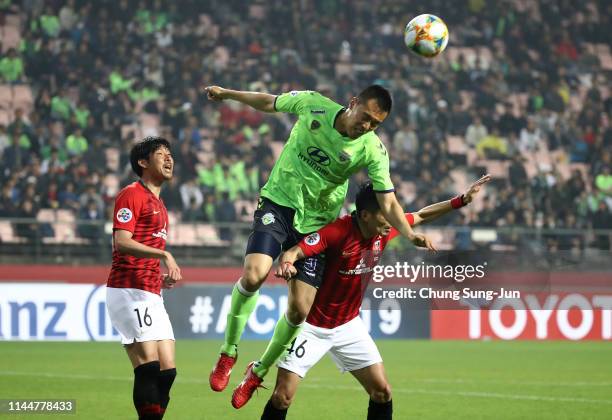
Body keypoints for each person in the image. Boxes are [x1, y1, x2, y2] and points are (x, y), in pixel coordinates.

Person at [204, 85, 434, 409]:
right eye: (365, 117)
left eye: (375, 124)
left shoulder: (372, 149)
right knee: (254, 275)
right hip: (279, 203)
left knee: (300, 310)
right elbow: (269, 102)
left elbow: (389, 200)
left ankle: (258, 371)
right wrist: (228, 94)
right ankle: (228, 351)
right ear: (352, 103)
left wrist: (408, 234)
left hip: (316, 224)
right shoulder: (313, 105)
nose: (367, 127)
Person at [261, 175, 491, 420]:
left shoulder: (386, 229)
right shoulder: (337, 232)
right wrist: (286, 263)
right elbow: (296, 251)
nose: (391, 218)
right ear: (365, 216)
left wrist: (460, 201)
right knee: (281, 397)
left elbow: (421, 215)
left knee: (382, 392)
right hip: (312, 327)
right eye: (384, 212)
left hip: (348, 325)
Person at [105, 136, 182, 420]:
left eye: (170, 154)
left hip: (151, 291)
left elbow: (142, 248)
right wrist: (164, 256)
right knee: (148, 368)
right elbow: (122, 242)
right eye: (161, 154)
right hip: (127, 290)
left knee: (168, 371)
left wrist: (158, 275)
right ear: (143, 162)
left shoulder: (160, 205)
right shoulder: (131, 194)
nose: (168, 158)